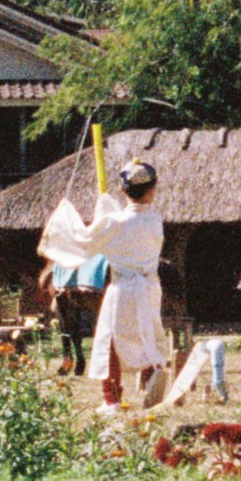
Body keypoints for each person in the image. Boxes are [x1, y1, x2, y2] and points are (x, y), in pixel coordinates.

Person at [75, 157, 171, 414]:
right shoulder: (155, 221)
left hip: (123, 288)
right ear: (152, 190)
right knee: (148, 332)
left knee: (111, 341)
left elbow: (87, 243)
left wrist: (102, 212)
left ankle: (112, 399)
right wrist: (108, 213)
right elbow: (130, 221)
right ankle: (153, 373)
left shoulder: (113, 224)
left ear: (123, 191)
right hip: (149, 286)